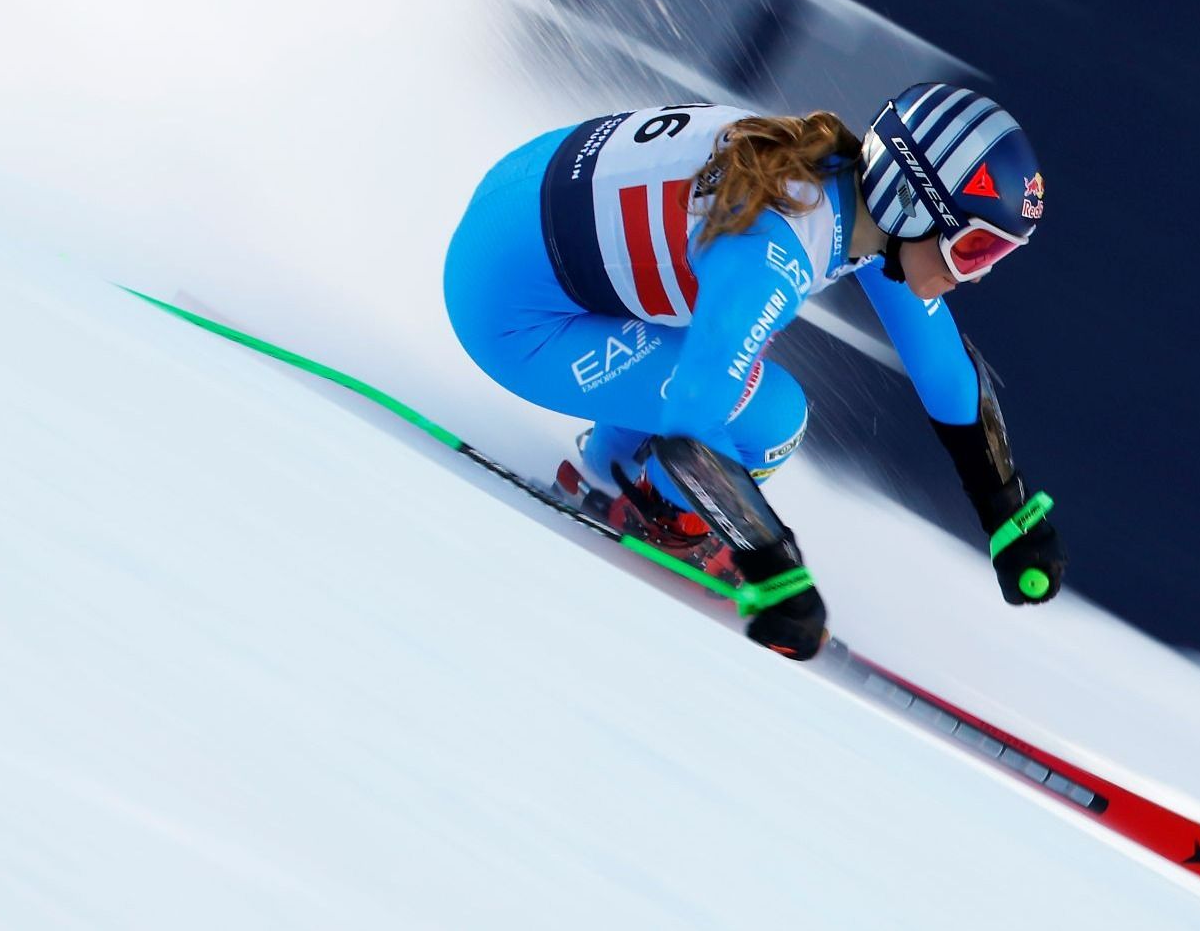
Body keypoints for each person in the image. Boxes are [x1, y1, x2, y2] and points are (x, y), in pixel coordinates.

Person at [441, 84, 1066, 661]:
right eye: (976, 248)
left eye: (998, 254)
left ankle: (610, 473)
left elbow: (946, 370)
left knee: (721, 338)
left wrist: (1009, 517)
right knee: (770, 413)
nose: (978, 274)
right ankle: (658, 511)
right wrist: (777, 571)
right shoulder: (776, 250)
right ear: (910, 203)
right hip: (511, 310)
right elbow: (693, 417)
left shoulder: (851, 193)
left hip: (519, 204)